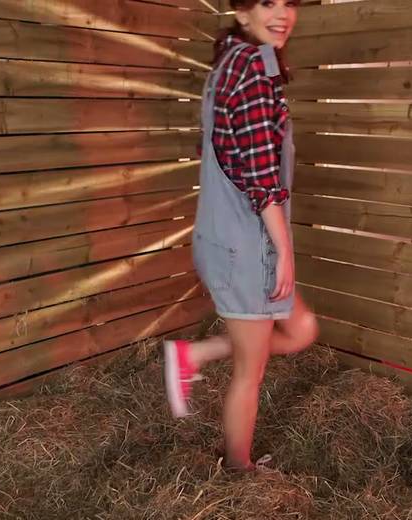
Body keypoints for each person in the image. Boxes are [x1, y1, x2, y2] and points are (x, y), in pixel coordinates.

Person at [162, 0, 318, 472]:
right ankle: (238, 468)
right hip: (246, 246)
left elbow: (219, 148)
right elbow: (260, 174)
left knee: (301, 329)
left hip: (233, 238)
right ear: (242, 11)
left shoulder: (236, 60)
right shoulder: (250, 66)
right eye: (268, 2)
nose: (282, 13)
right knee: (250, 373)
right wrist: (284, 250)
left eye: (290, 3)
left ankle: (196, 353)